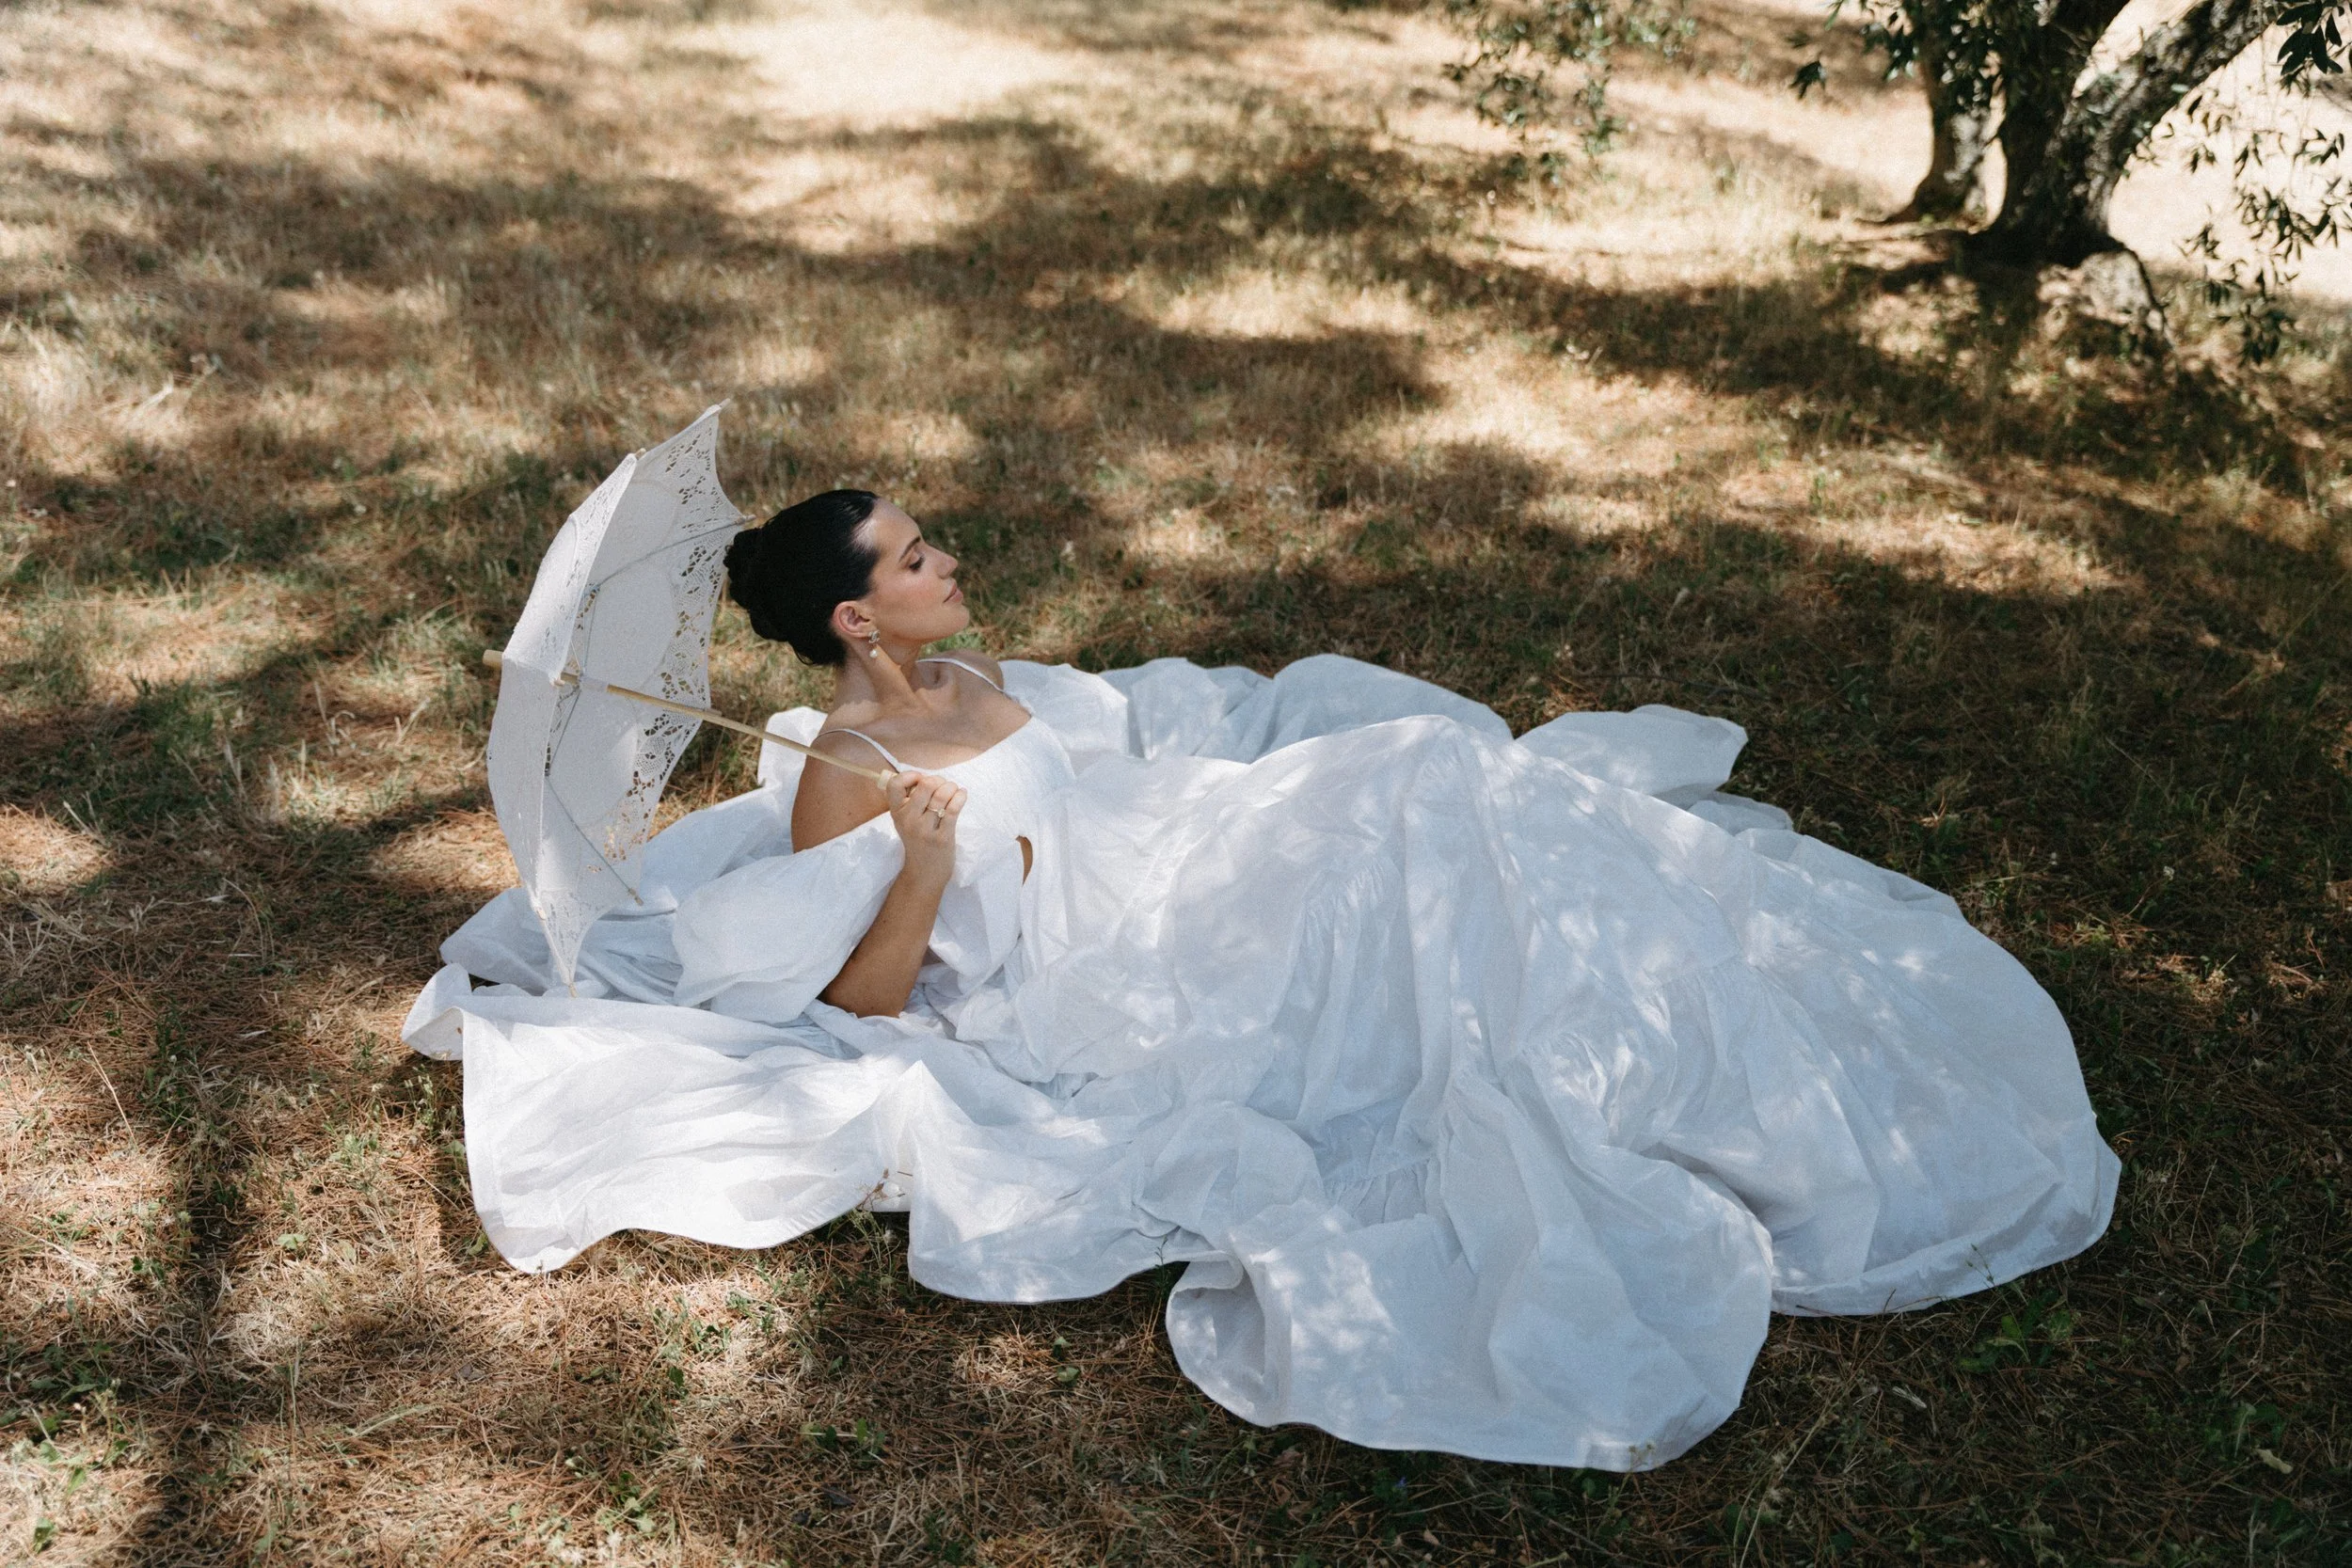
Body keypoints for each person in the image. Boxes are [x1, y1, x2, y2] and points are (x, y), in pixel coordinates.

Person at [406, 487, 2118, 1472]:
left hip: (1169, 872)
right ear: (856, 623)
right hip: (1102, 992)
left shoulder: (972, 669)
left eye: (926, 544)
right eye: (912, 559)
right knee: (1423, 826)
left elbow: (1082, 783)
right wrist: (920, 861)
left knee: (1429, 788)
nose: (943, 562)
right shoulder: (849, 769)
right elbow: (862, 1004)